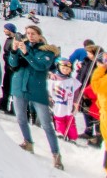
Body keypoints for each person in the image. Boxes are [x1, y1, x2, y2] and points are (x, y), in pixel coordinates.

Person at [9, 24, 64, 170]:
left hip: (37, 88)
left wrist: (27, 53)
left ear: (39, 35)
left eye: (33, 33)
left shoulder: (47, 51)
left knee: (46, 123)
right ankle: (28, 142)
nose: (30, 36)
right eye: (28, 33)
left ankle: (55, 153)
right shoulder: (23, 46)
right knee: (21, 117)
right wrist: (14, 51)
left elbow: (40, 66)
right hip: (19, 84)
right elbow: (13, 64)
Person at [49, 58, 83, 142]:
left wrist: (75, 103)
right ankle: (61, 133)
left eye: (67, 69)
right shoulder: (54, 79)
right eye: (63, 68)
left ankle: (72, 137)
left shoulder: (72, 81)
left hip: (69, 104)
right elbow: (49, 88)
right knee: (59, 119)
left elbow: (76, 93)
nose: (65, 70)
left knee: (70, 120)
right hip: (58, 103)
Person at [0, 22, 21, 114]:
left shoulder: (16, 39)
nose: (4, 30)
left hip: (13, 67)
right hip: (8, 66)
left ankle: (14, 108)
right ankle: (4, 103)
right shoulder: (9, 39)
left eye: (5, 29)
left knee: (13, 87)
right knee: (6, 86)